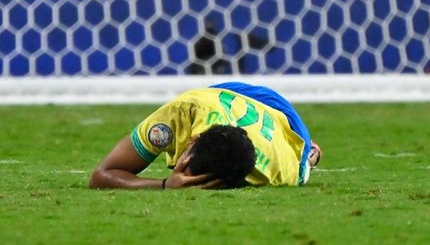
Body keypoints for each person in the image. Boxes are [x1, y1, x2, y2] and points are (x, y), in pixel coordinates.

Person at [89, 82, 322, 190]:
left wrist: (310, 156)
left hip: (279, 118)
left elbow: (304, 164)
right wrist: (162, 184)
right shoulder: (181, 113)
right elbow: (102, 174)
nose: (187, 180)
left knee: (306, 156)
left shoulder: (278, 171)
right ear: (193, 140)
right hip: (237, 94)